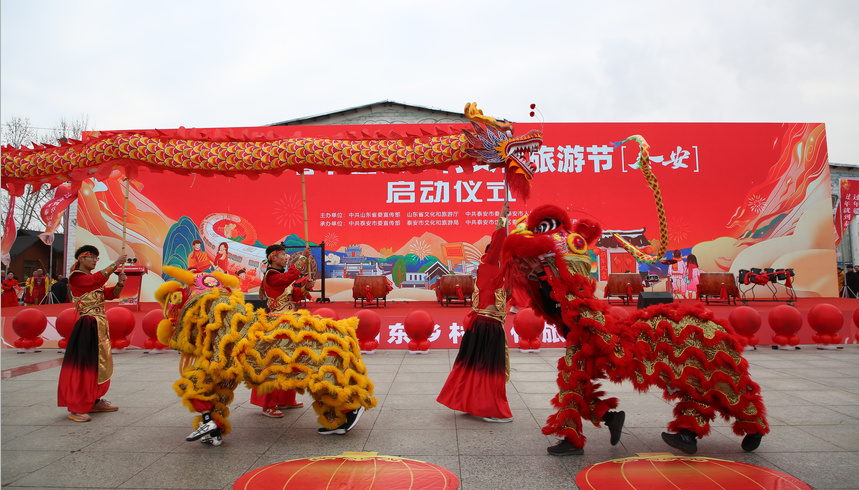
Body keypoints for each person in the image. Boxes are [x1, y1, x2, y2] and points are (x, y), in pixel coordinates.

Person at [437, 203, 514, 422]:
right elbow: (498, 243)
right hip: (484, 325)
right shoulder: (488, 265)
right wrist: (503, 219)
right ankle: (481, 406)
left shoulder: (500, 273)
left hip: (485, 325)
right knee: (482, 369)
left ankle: (483, 407)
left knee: (479, 369)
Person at [57, 246, 127, 422]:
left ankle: (94, 400)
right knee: (84, 366)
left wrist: (120, 283)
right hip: (87, 325)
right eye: (92, 257)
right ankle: (77, 406)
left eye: (97, 258)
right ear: (81, 259)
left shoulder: (92, 280)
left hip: (99, 325)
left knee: (99, 364)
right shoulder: (77, 278)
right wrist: (115, 264)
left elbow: (108, 295)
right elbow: (95, 281)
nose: (95, 260)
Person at [249, 244, 311, 418]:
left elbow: (292, 295)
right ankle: (267, 404)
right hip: (275, 326)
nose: (286, 257)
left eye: (286, 254)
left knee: (289, 362)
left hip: (288, 324)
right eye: (283, 254)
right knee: (273, 365)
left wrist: (306, 287)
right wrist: (303, 258)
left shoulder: (281, 277)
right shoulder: (271, 276)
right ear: (273, 258)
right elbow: (288, 277)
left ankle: (285, 399)